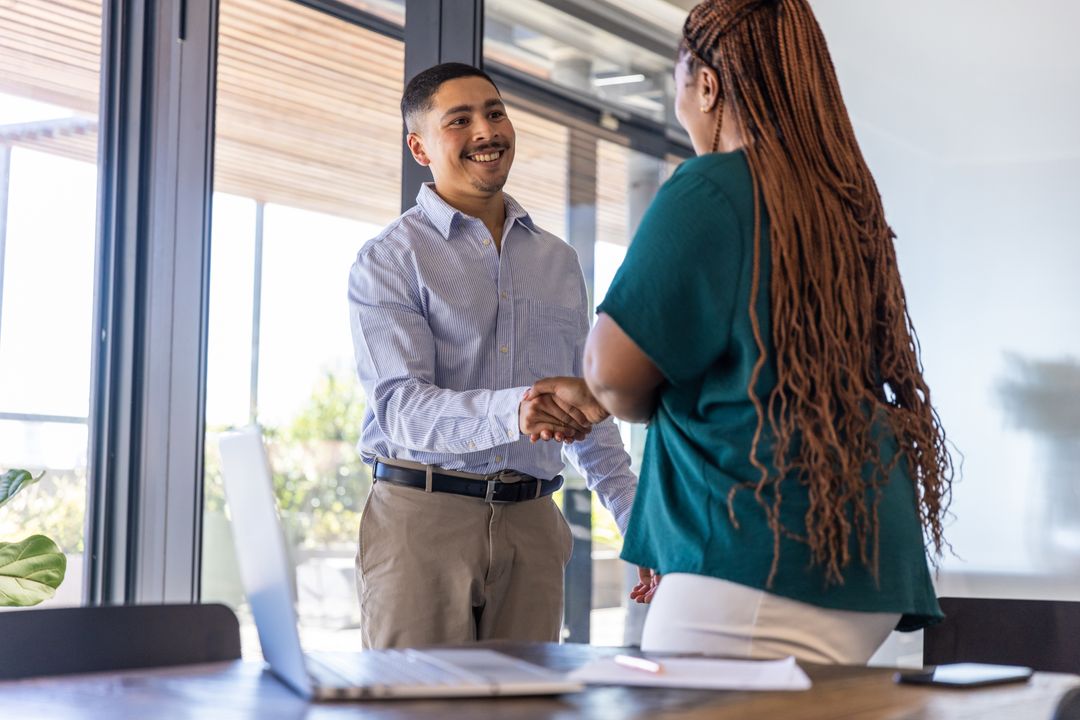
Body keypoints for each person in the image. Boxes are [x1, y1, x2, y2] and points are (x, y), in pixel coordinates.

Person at [569, 0, 954, 665]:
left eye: (679, 84)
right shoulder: (847, 204)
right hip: (862, 556)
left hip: (758, 554)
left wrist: (624, 398)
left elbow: (610, 374)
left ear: (708, 85)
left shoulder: (713, 188)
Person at [348, 62, 637, 649]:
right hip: (423, 520)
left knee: (527, 711)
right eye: (460, 120)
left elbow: (581, 411)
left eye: (495, 112)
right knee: (417, 710)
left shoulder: (558, 261)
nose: (486, 130)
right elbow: (402, 408)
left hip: (533, 524)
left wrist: (639, 523)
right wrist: (517, 410)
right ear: (419, 147)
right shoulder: (390, 259)